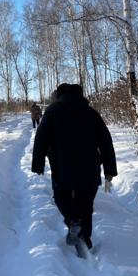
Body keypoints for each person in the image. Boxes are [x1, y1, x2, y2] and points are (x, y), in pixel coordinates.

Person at [31, 83, 117, 250]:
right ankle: (85, 240)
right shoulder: (91, 113)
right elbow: (106, 142)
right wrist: (109, 170)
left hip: (62, 168)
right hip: (89, 169)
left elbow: (40, 139)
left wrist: (38, 164)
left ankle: (72, 220)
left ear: (59, 95)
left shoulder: (52, 112)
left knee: (61, 196)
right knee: (85, 205)